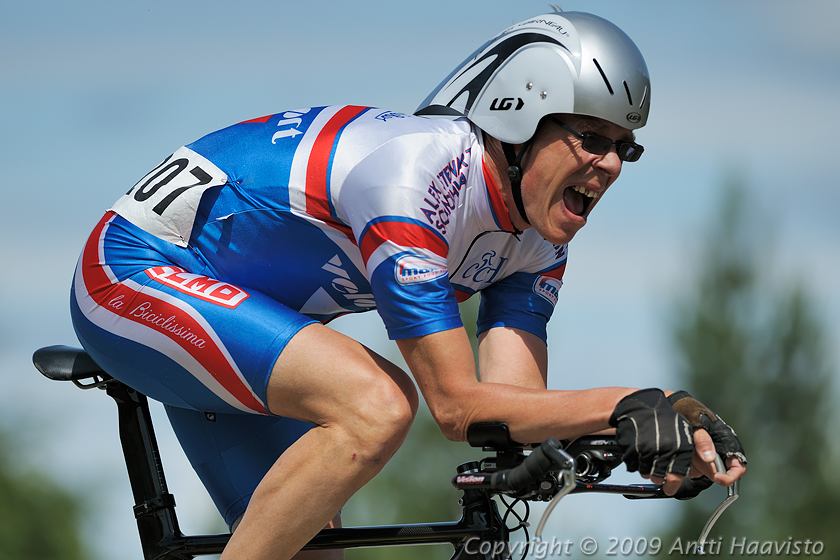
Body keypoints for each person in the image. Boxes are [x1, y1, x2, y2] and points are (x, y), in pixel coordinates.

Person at [70, 11, 745, 560]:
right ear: (521, 117)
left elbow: (507, 410)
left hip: (247, 326)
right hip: (130, 275)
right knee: (379, 402)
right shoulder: (416, 178)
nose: (609, 165)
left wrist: (654, 441)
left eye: (624, 146)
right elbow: (454, 406)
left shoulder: (537, 237)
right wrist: (628, 399)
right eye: (591, 137)